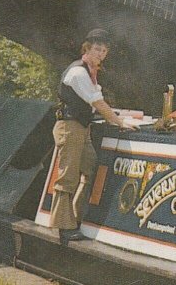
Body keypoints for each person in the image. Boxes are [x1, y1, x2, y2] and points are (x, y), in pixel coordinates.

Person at [50, 28, 138, 244]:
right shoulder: (78, 73)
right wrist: (118, 121)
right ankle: (64, 228)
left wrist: (116, 114)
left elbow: (95, 101)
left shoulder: (90, 73)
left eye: (105, 50)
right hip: (70, 128)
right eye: (97, 49)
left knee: (90, 168)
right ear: (86, 49)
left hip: (81, 128)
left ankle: (75, 217)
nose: (101, 54)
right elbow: (96, 102)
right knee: (68, 177)